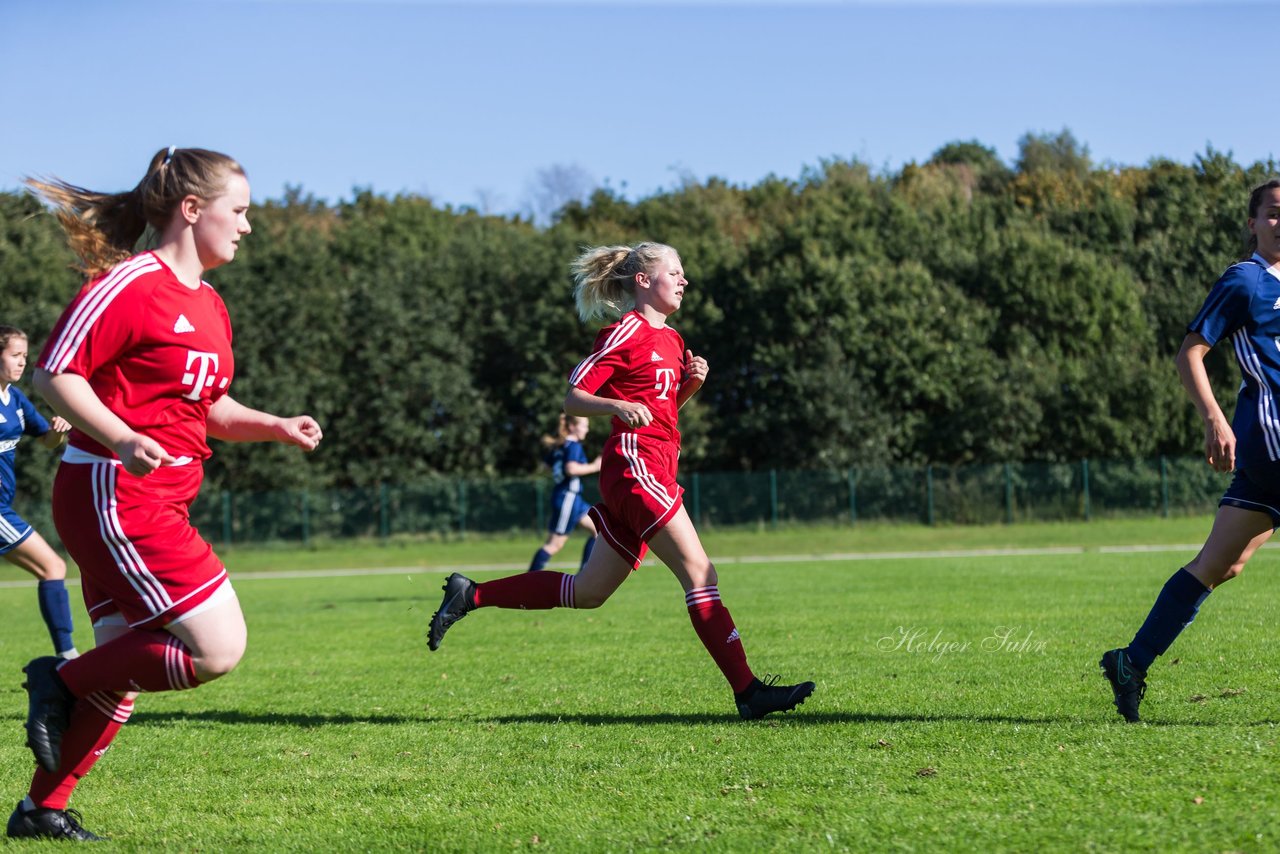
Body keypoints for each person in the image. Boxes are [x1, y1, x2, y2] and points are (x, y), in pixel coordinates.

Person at [10, 146, 323, 841]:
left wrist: (272, 424)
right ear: (191, 210)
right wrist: (121, 438)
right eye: (237, 211)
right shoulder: (129, 284)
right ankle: (57, 681)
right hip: (115, 493)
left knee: (123, 669)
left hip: (152, 499)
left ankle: (40, 809)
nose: (246, 226)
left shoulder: (209, 303)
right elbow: (55, 374)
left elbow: (205, 406)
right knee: (217, 648)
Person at [429, 242, 815, 720]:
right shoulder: (623, 332)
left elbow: (661, 413)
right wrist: (612, 407)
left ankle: (472, 594)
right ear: (643, 280)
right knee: (700, 574)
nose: (684, 280)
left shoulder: (672, 340)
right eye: (675, 271)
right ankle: (749, 692)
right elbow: (574, 398)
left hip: (651, 465)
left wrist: (690, 385)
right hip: (637, 468)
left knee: (587, 593)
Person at [1101, 179, 1280, 723]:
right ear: (1252, 223)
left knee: (1222, 564)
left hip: (1264, 457)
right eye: (1273, 213)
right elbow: (1191, 352)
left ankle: (1131, 661)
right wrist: (1213, 418)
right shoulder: (1245, 282)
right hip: (1273, 440)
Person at [0, 326, 77, 659]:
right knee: (53, 567)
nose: (22, 363)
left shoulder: (14, 400)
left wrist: (59, 430)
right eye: (15, 355)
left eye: (25, 357)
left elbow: (46, 439)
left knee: (52, 568)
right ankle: (68, 658)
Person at [527, 413, 600, 573]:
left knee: (599, 529)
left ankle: (584, 576)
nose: (587, 429)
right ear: (573, 427)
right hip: (568, 497)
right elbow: (571, 469)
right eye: (584, 425)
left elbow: (545, 467)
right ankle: (527, 584)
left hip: (571, 498)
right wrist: (594, 467)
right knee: (554, 544)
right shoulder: (573, 446)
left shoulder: (560, 446)